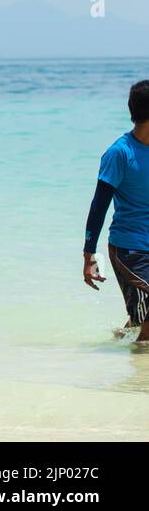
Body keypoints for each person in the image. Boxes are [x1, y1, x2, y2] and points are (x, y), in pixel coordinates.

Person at [82, 80, 149, 345]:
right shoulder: (119, 153)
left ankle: (120, 341)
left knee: (141, 318)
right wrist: (89, 255)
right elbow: (98, 207)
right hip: (129, 249)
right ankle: (139, 381)